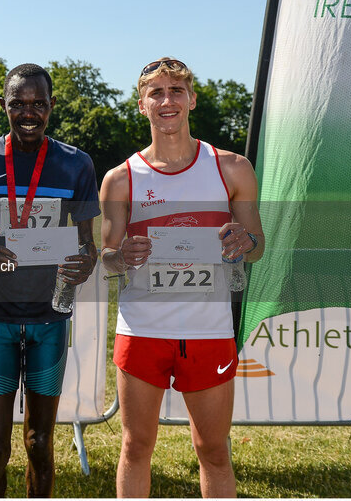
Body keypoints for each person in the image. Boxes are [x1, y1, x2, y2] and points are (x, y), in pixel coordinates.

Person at [99, 57, 265, 498]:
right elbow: (107, 259)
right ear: (142, 105)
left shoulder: (231, 167)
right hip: (142, 329)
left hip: (208, 331)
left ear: (191, 99)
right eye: (156, 92)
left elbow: (258, 245)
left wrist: (242, 242)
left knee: (212, 449)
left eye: (176, 90)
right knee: (136, 446)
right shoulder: (119, 179)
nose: (166, 100)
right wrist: (122, 256)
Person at [0, 63, 99, 497]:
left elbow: (88, 243)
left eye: (38, 103)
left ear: (52, 105)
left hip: (49, 320)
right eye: (18, 103)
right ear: (4, 106)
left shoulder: (76, 164)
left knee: (39, 444)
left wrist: (87, 262)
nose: (28, 112)